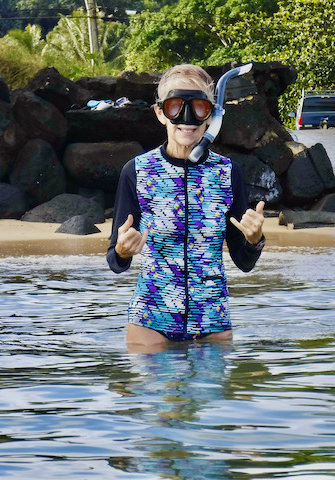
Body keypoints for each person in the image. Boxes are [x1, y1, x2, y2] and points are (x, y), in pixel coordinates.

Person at [106, 64, 265, 347]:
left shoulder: (227, 173)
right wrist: (121, 250)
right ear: (160, 112)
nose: (187, 118)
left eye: (199, 108)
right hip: (151, 325)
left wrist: (254, 241)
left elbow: (244, 263)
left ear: (212, 115)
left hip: (212, 325)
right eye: (176, 106)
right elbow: (116, 263)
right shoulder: (138, 171)